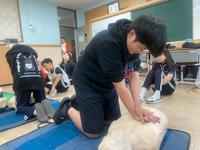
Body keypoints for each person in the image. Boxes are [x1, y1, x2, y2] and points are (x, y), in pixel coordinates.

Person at [54, 15, 166, 138]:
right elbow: (121, 87)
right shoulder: (108, 43)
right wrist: (135, 112)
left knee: (112, 123)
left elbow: (134, 75)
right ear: (132, 34)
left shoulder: (135, 42)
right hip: (87, 83)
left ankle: (80, 103)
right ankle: (68, 107)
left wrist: (138, 106)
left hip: (107, 83)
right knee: (94, 133)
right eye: (141, 48)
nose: (140, 51)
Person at [6, 44, 55, 122]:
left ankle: (34, 111)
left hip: (22, 80)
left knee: (20, 107)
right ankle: (44, 104)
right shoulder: (32, 52)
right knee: (40, 101)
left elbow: (13, 72)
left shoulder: (10, 54)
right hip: (38, 79)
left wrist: (17, 91)